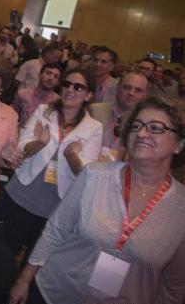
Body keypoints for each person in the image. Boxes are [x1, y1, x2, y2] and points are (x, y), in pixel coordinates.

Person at [10, 95, 185, 304]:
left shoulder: (180, 209)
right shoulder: (94, 175)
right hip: (53, 293)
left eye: (156, 128)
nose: (142, 133)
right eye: (136, 126)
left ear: (179, 145)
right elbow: (56, 230)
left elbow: (174, 284)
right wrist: (24, 280)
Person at [0, 68, 103, 255]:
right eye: (66, 84)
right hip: (22, 190)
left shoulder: (94, 128)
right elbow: (22, 148)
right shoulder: (43, 111)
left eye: (78, 87)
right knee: (3, 248)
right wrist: (39, 143)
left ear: (88, 95)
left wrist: (72, 156)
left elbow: (87, 173)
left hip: (55, 204)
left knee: (33, 256)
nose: (70, 90)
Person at [89, 70, 148, 161]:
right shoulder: (95, 111)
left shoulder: (146, 124)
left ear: (145, 95)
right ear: (118, 87)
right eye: (127, 87)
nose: (131, 93)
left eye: (138, 90)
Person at [13, 62, 62, 127]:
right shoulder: (22, 94)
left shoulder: (58, 101)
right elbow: (12, 118)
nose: (51, 78)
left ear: (58, 82)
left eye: (56, 77)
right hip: (23, 135)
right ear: (39, 75)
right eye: (48, 73)